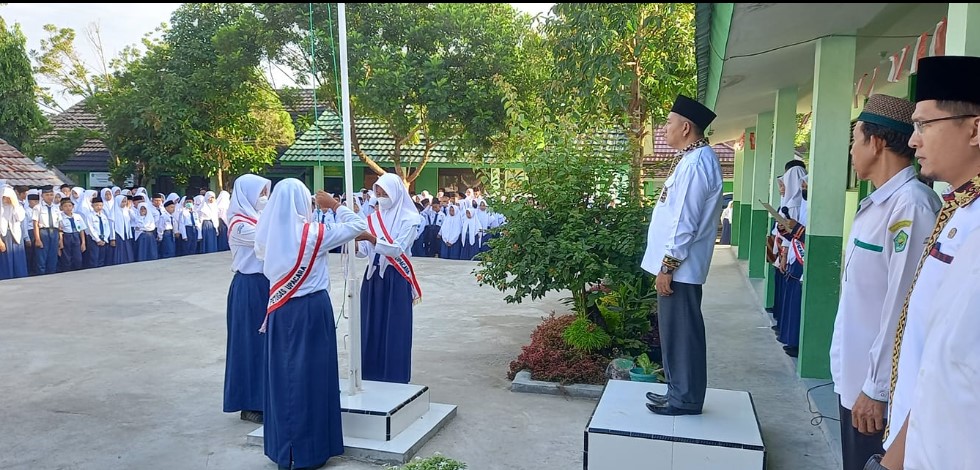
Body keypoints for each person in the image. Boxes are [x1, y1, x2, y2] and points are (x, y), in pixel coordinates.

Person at [816, 94, 941, 470]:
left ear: (877, 142)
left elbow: (903, 305)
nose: (851, 150)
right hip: (855, 376)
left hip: (875, 390)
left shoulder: (912, 207)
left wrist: (878, 387)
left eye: (855, 139)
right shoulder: (878, 204)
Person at [867, 56, 980, 470]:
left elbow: (954, 368)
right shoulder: (958, 209)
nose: (913, 141)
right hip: (917, 440)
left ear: (974, 128)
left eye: (923, 125)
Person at [254, 178, 366, 470]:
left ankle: (284, 450)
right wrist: (336, 205)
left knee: (283, 378)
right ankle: (310, 450)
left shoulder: (268, 234)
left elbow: (262, 254)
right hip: (311, 310)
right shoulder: (314, 233)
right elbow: (357, 225)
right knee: (312, 377)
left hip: (280, 311)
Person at [641, 94, 722, 416]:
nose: (664, 129)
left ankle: (685, 398)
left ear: (686, 127)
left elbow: (685, 222)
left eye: (669, 123)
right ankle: (677, 391)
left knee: (683, 334)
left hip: (681, 270)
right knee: (674, 333)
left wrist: (668, 266)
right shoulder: (691, 160)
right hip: (679, 268)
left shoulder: (698, 163)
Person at [356, 173, 423, 384]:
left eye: (384, 191)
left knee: (395, 328)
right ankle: (371, 373)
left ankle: (395, 376)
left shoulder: (410, 219)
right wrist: (355, 243)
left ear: (395, 192)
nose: (381, 195)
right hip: (373, 278)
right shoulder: (372, 218)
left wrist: (369, 238)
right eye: (378, 191)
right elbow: (364, 251)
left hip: (396, 278)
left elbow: (397, 250)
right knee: (371, 325)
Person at [222, 174, 271, 424]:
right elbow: (268, 241)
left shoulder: (259, 218)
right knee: (250, 344)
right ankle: (249, 403)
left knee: (266, 345)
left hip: (266, 285)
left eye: (266, 192)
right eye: (260, 193)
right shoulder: (239, 224)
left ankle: (265, 397)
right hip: (250, 286)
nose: (264, 198)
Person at [0, 185, 28, 280]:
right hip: (3, 236)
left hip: (16, 235)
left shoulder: (17, 207)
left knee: (18, 259)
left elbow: (20, 217)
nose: (6, 200)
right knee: (5, 260)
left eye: (9, 198)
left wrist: (15, 204)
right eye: (5, 197)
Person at [33, 186, 62, 275]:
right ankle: (41, 278)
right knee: (41, 258)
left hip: (54, 232)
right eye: (47, 195)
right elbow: (35, 224)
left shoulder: (56, 207)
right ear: (42, 196)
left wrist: (60, 239)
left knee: (53, 257)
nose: (50, 197)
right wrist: (37, 239)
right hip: (43, 232)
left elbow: (59, 224)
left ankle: (51, 277)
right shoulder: (38, 207)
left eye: (51, 194)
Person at [85, 196, 114, 268]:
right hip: (93, 240)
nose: (99, 207)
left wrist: (105, 238)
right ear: (92, 206)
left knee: (102, 257)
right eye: (97, 205)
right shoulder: (89, 216)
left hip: (103, 239)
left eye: (100, 205)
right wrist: (97, 239)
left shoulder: (103, 216)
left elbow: (107, 228)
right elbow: (90, 229)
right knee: (94, 257)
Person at [58, 198, 86, 272]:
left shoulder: (77, 216)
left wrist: (83, 242)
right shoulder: (60, 217)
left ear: (73, 207)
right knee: (67, 257)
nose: (68, 208)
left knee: (78, 257)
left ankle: (77, 271)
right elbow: (60, 231)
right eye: (65, 206)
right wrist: (60, 244)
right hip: (66, 237)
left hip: (76, 236)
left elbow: (82, 230)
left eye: (70, 206)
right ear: (61, 208)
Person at [111, 194, 135, 265]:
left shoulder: (126, 211)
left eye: (125, 202)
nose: (124, 203)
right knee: (119, 250)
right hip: (118, 234)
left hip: (126, 233)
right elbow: (112, 225)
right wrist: (112, 238)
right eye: (122, 202)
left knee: (127, 249)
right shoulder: (114, 211)